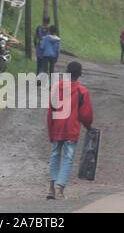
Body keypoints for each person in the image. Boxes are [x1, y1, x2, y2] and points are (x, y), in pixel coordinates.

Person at [46, 61, 93, 200]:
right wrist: (88, 126)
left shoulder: (56, 88)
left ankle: (50, 189)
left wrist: (50, 130)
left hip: (57, 129)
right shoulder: (82, 92)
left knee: (55, 155)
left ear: (66, 72)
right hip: (71, 130)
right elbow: (86, 115)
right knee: (68, 158)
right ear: (80, 74)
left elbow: (51, 111)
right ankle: (60, 190)